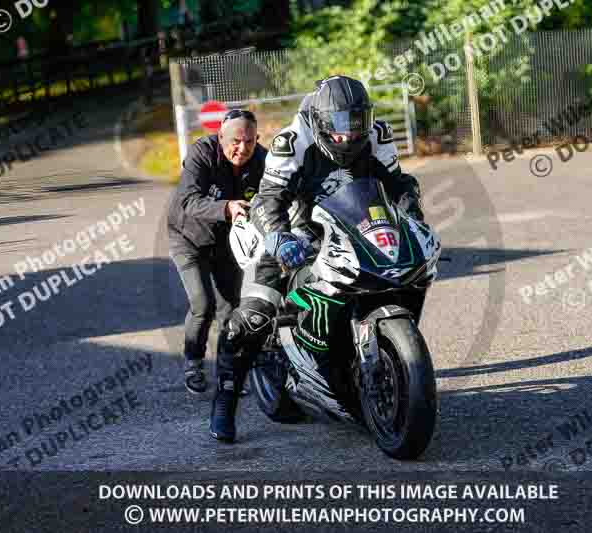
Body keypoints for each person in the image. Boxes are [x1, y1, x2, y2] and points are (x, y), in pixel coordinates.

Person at [209, 75, 425, 443]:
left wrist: (413, 213)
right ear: (322, 122)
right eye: (340, 127)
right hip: (295, 230)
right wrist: (278, 238)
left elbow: (396, 183)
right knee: (251, 319)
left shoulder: (377, 133)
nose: (349, 135)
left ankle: (374, 359)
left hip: (355, 224)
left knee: (409, 270)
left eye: (357, 124)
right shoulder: (293, 140)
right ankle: (225, 400)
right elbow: (268, 198)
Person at [168, 109, 266, 395]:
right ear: (221, 136)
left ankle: (228, 372)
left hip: (226, 241)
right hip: (187, 238)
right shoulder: (202, 153)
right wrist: (227, 207)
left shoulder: (261, 159)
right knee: (203, 304)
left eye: (249, 141)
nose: (242, 148)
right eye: (236, 141)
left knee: (231, 308)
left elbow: (279, 192)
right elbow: (188, 200)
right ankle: (193, 363)